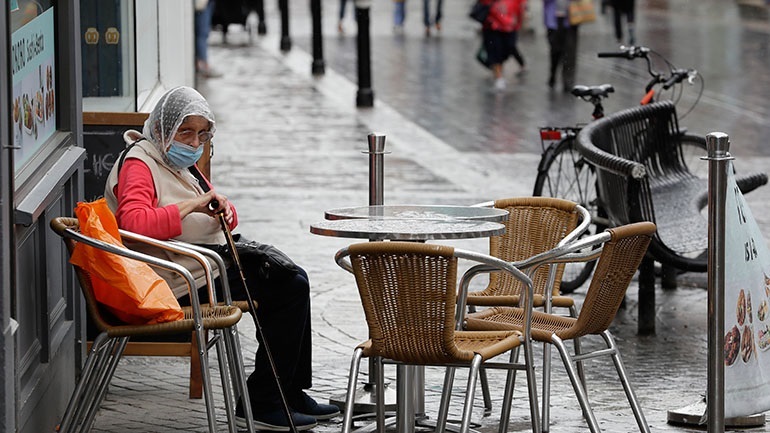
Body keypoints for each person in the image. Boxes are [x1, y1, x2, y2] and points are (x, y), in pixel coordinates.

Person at [103, 86, 339, 431]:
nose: (194, 141)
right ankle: (264, 400)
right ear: (163, 128)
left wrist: (225, 211)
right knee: (289, 286)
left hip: (197, 265)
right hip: (170, 279)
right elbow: (134, 223)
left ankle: (286, 391)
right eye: (185, 131)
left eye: (201, 133)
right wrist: (193, 206)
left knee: (293, 280)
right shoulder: (141, 163)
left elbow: (205, 207)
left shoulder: (175, 162)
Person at [482, 0, 527, 90]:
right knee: (496, 52)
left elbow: (520, 7)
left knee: (509, 48)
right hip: (494, 27)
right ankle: (498, 76)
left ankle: (498, 71)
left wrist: (519, 22)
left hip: (510, 27)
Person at [543, 0, 579, 92]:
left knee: (569, 52)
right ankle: (553, 74)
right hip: (554, 21)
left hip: (572, 19)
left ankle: (568, 81)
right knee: (555, 51)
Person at [194, 0, 221, 78]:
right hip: (202, 4)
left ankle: (201, 64)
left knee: (202, 33)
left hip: (205, 3)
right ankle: (204, 65)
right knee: (202, 33)